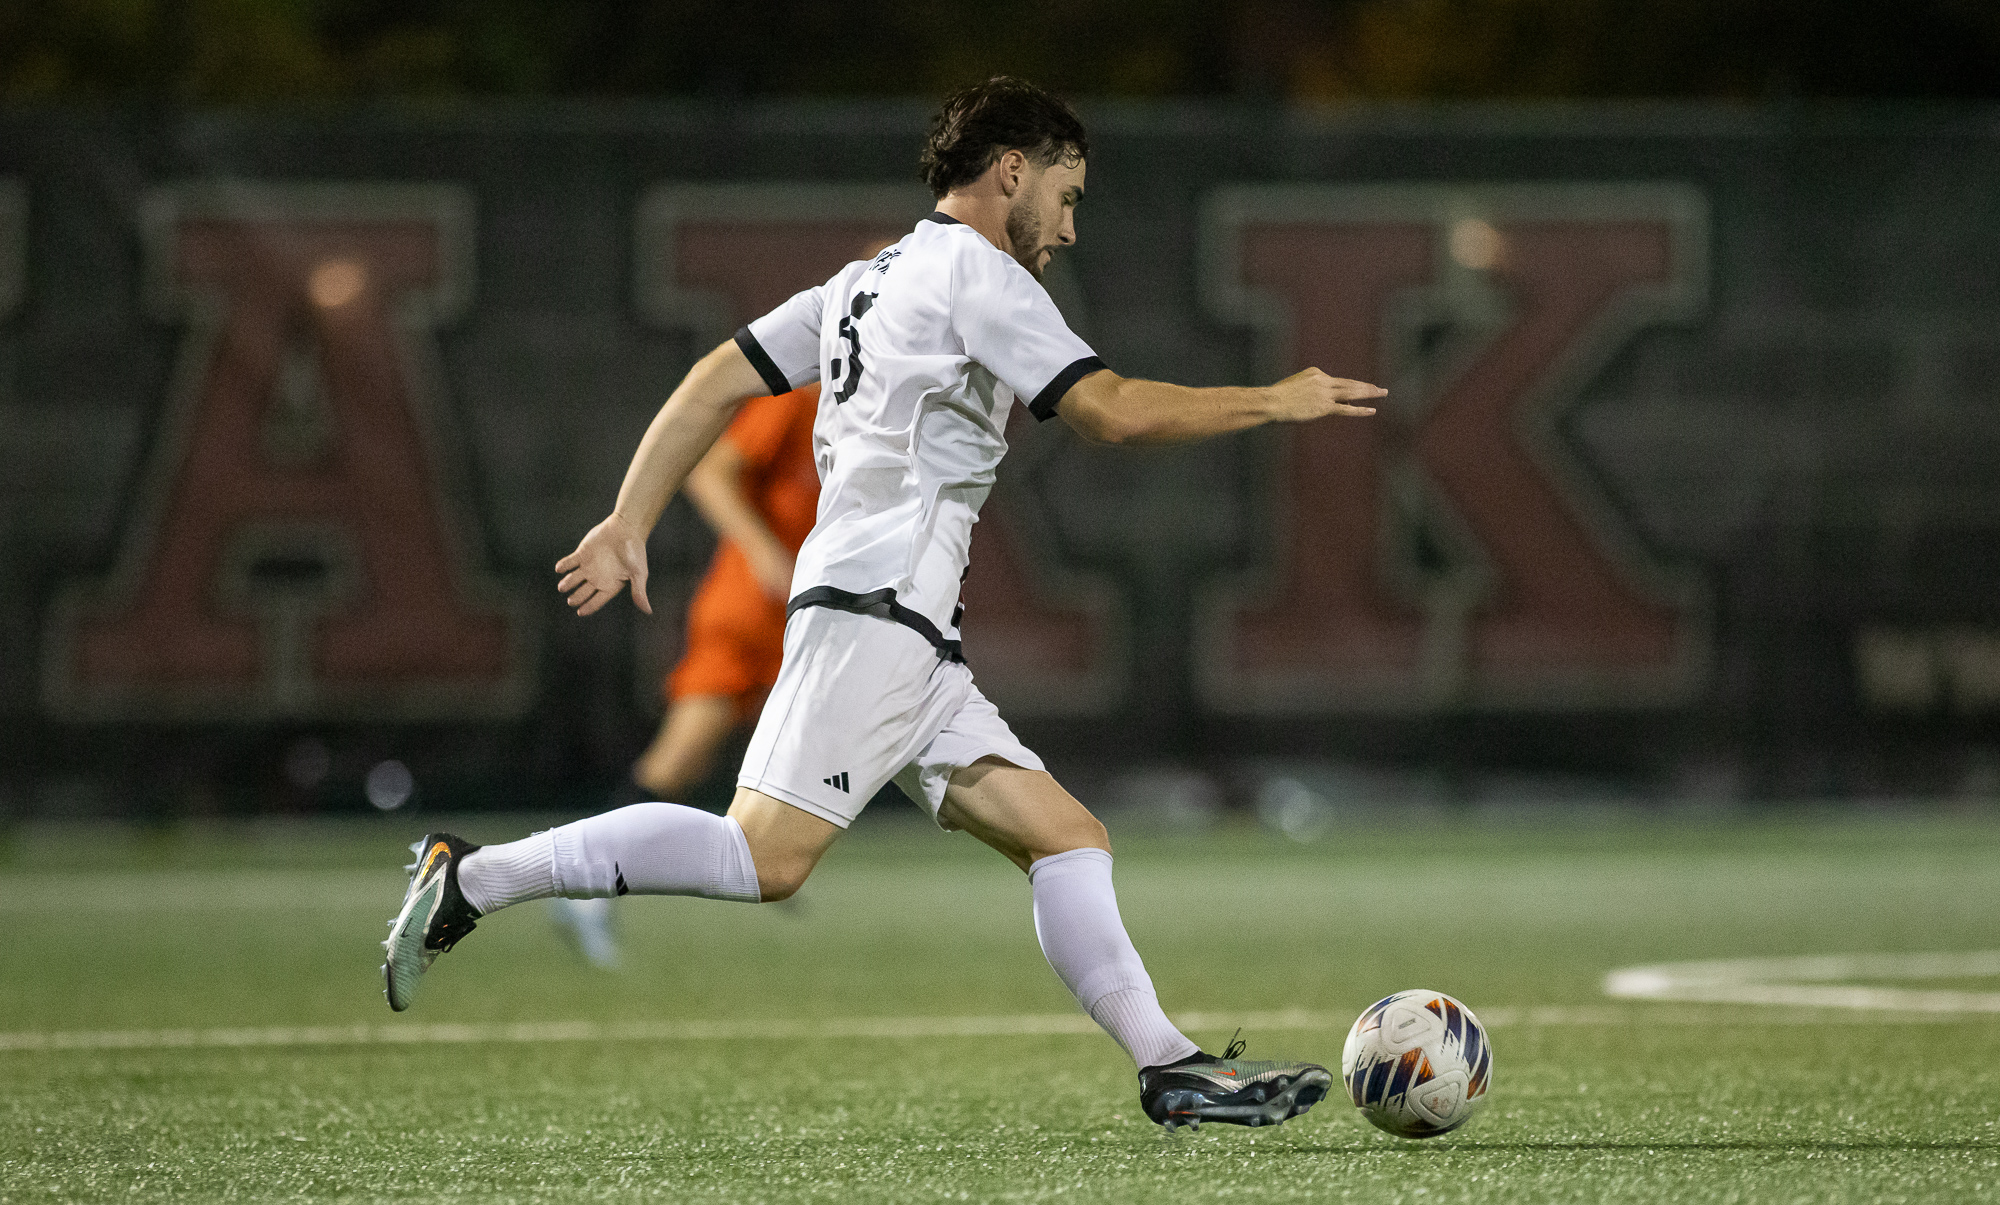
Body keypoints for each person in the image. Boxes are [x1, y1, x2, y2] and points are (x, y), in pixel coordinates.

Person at [383, 75, 1383, 1131]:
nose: (1069, 228)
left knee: (1065, 836)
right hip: (876, 613)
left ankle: (1168, 1065)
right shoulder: (978, 275)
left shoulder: (863, 281)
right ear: (1012, 171)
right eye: (1067, 196)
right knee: (762, 856)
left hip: (908, 630)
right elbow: (1113, 411)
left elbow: (713, 379)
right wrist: (1275, 398)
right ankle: (475, 877)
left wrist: (629, 517)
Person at [547, 384, 820, 967]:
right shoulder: (809, 389)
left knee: (724, 762)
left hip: (801, 614)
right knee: (676, 762)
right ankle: (581, 884)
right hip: (752, 610)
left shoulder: (876, 396)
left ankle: (760, 851)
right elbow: (711, 472)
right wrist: (763, 552)